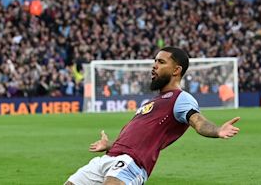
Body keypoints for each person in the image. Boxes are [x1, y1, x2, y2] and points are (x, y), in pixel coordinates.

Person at [64, 47, 240, 185]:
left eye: (161, 62)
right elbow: (138, 139)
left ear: (176, 70)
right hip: (108, 158)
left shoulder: (181, 98)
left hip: (132, 164)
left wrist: (217, 130)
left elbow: (198, 122)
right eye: (155, 61)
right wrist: (109, 144)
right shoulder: (152, 102)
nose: (154, 65)